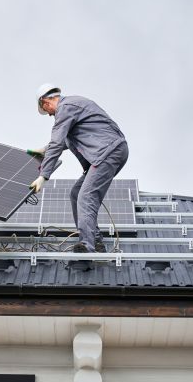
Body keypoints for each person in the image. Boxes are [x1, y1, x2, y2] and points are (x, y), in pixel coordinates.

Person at [28, 83, 129, 254]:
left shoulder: (65, 108)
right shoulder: (73, 106)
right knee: (76, 193)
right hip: (111, 151)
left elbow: (57, 142)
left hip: (107, 152)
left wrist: (43, 176)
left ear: (45, 102)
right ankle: (95, 241)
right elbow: (66, 141)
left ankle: (87, 246)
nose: (49, 115)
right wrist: (44, 150)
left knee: (86, 196)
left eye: (47, 112)